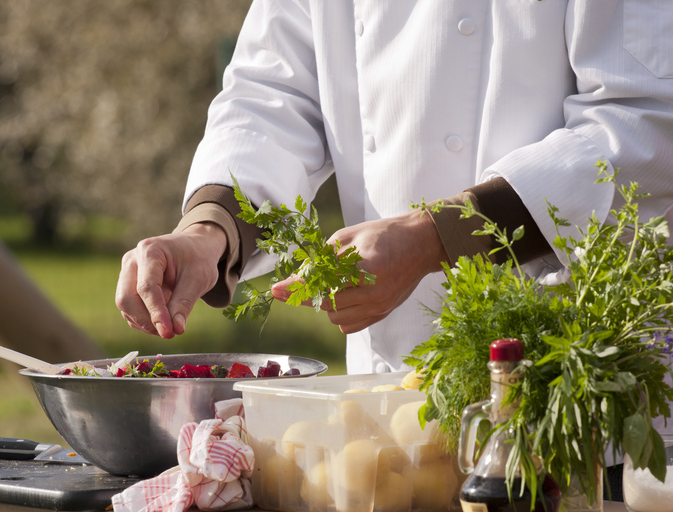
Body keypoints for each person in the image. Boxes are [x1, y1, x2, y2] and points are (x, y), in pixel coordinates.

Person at [117, 0, 673, 374]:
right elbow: (273, 96)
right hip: (387, 378)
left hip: (578, 368)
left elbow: (644, 122)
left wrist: (437, 237)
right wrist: (208, 229)